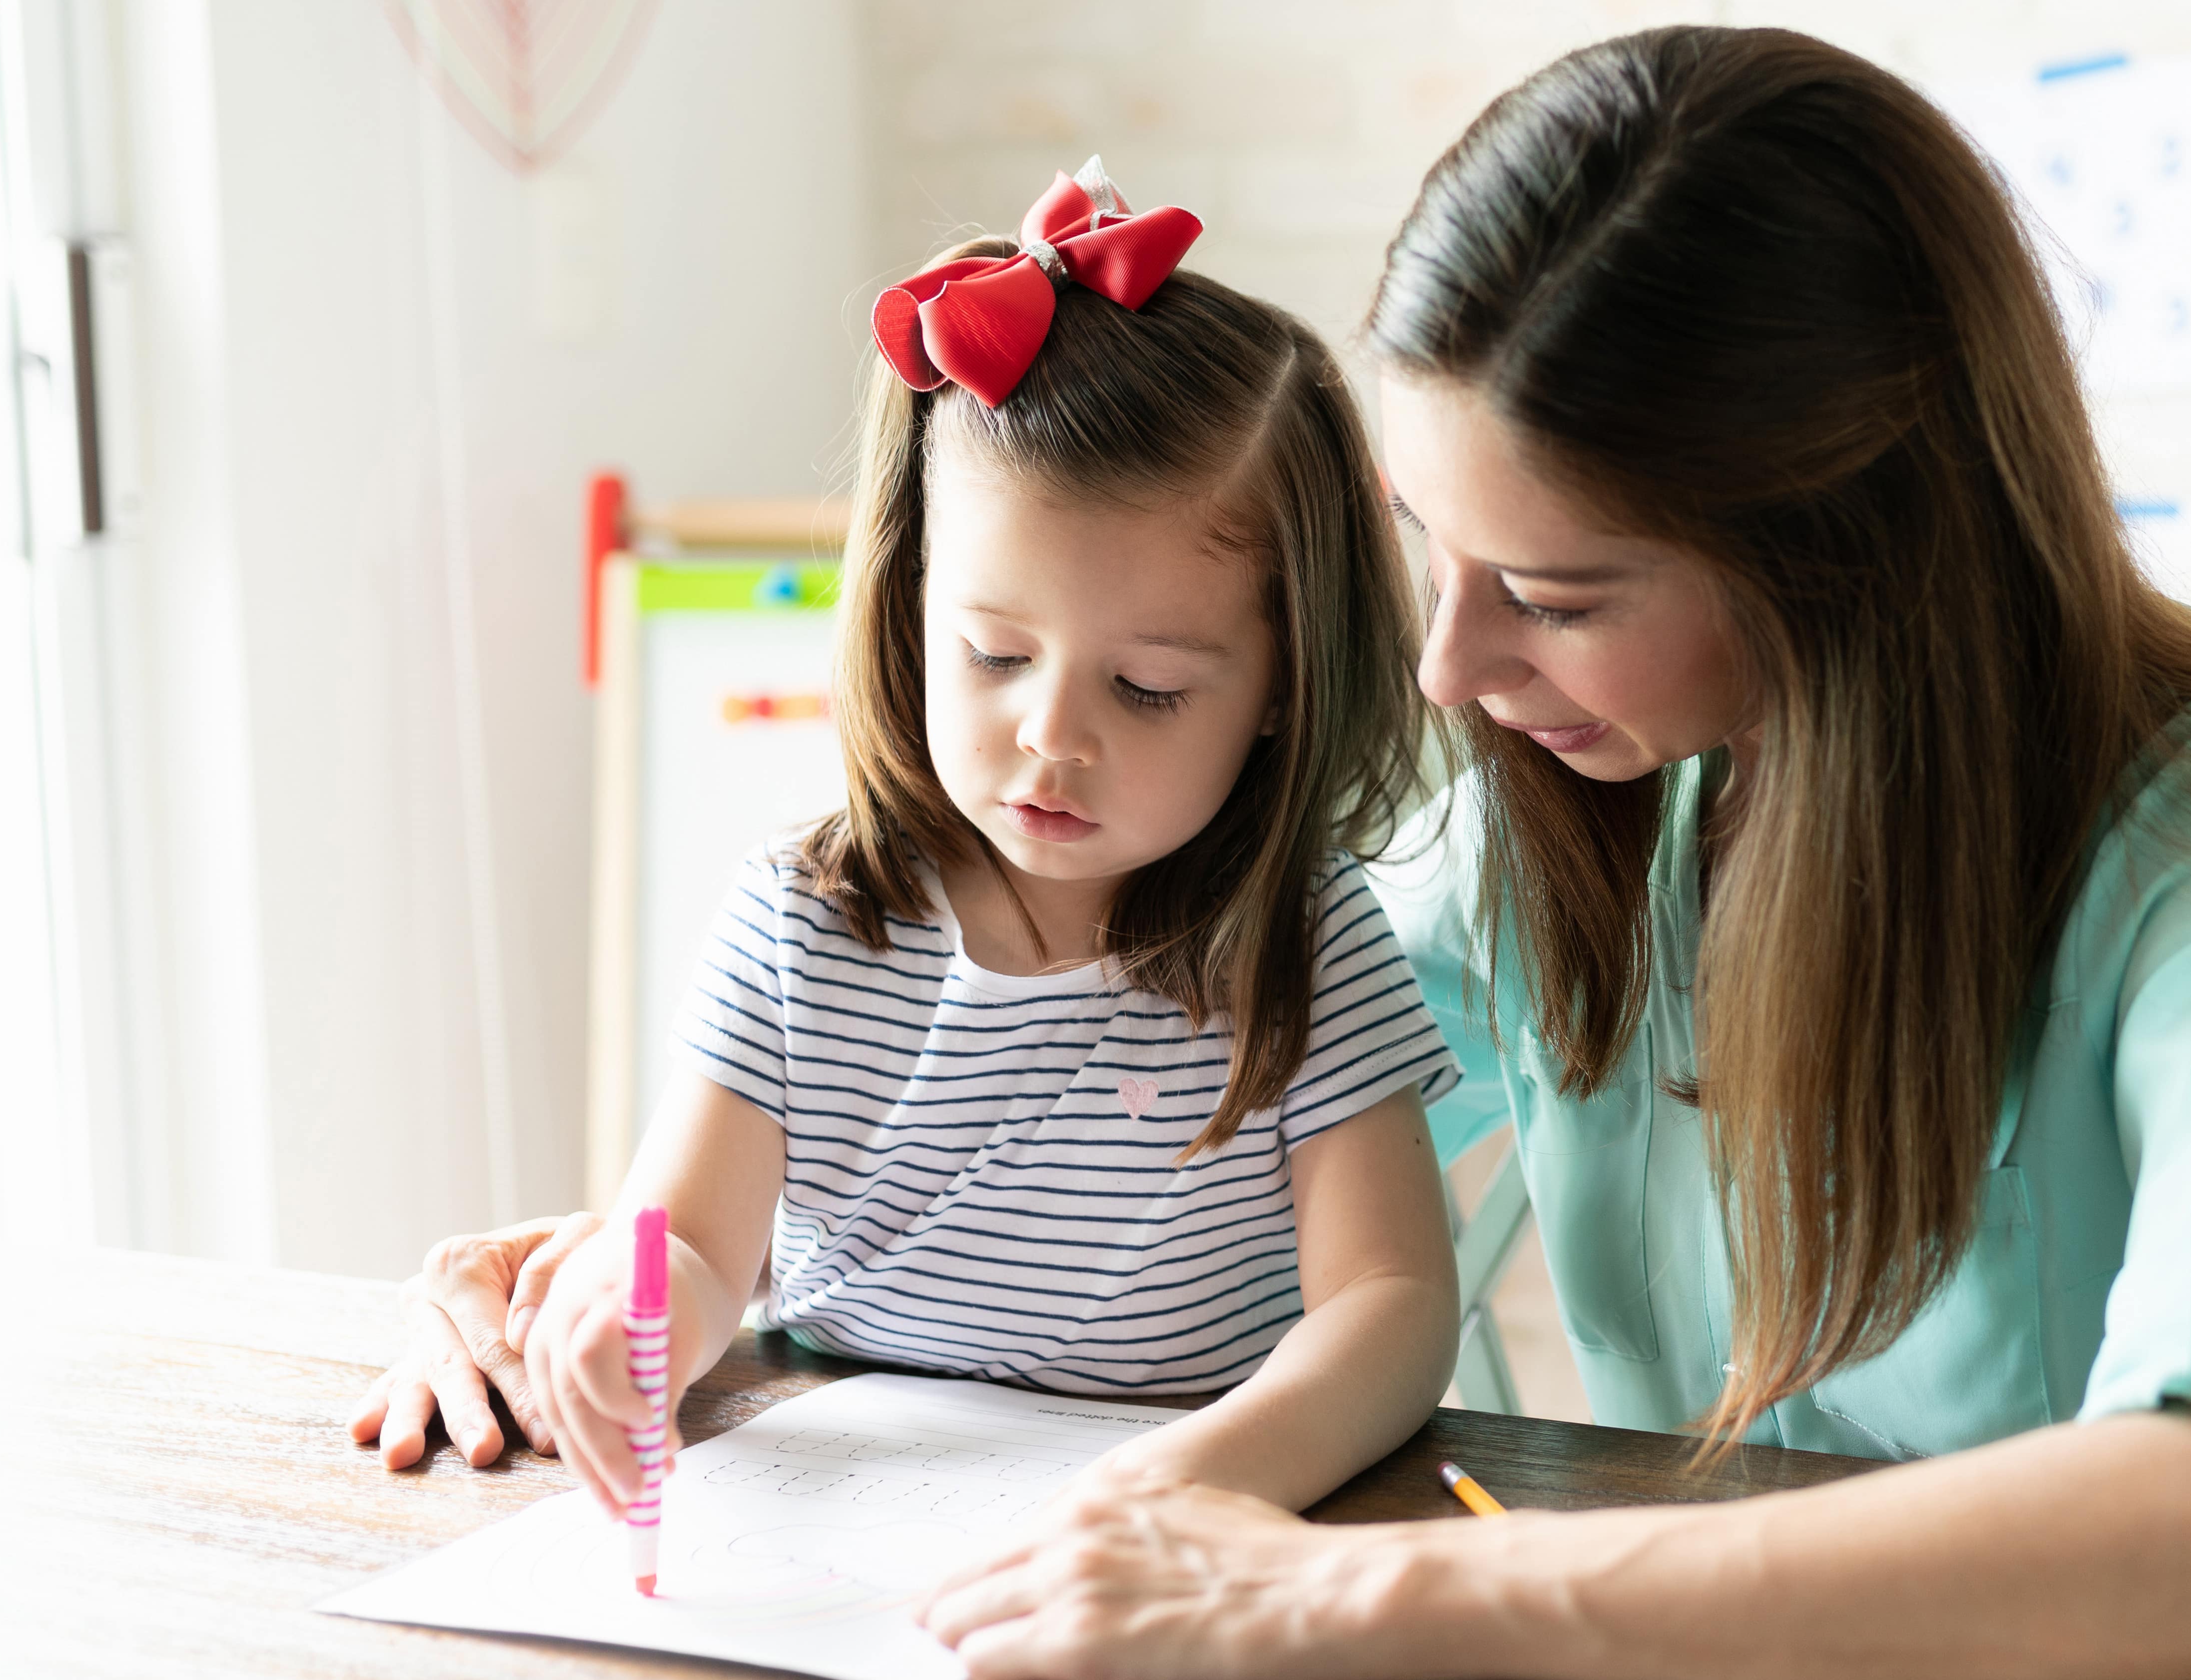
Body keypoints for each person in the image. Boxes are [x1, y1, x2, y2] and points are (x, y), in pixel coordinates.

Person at [909, 29, 2191, 1680]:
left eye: (1556, 597)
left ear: (1843, 549)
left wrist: (1372, 1594)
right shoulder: (1553, 823)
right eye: (1426, 541)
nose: (1450, 667)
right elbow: (1153, 1139)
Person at [351, 163, 1467, 1524]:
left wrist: (1199, 1474)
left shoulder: (1307, 938)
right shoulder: (799, 920)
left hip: (1174, 1527)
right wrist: (621, 1329)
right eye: (994, 654)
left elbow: (1392, 1300)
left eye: (1149, 686)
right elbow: (687, 1245)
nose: (1052, 735)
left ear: (1285, 682)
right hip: (844, 1518)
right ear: (912, 608)